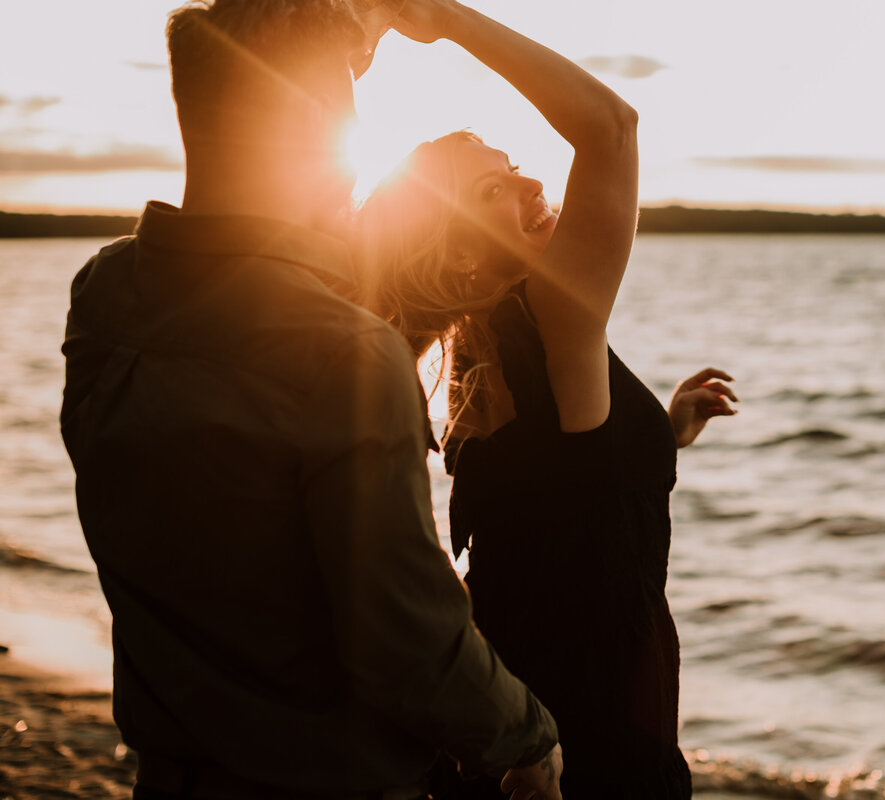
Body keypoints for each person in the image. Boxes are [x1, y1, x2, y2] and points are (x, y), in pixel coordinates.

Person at [59, 2, 563, 798]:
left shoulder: (104, 296)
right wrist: (527, 738)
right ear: (320, 125)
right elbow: (408, 644)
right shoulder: (344, 354)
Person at [355, 2, 738, 797]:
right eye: (495, 186)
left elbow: (558, 512)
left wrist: (658, 434)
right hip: (591, 747)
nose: (531, 179)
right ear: (460, 255)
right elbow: (610, 127)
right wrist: (447, 19)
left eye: (512, 163)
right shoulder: (552, 320)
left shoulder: (474, 361)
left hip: (518, 730)